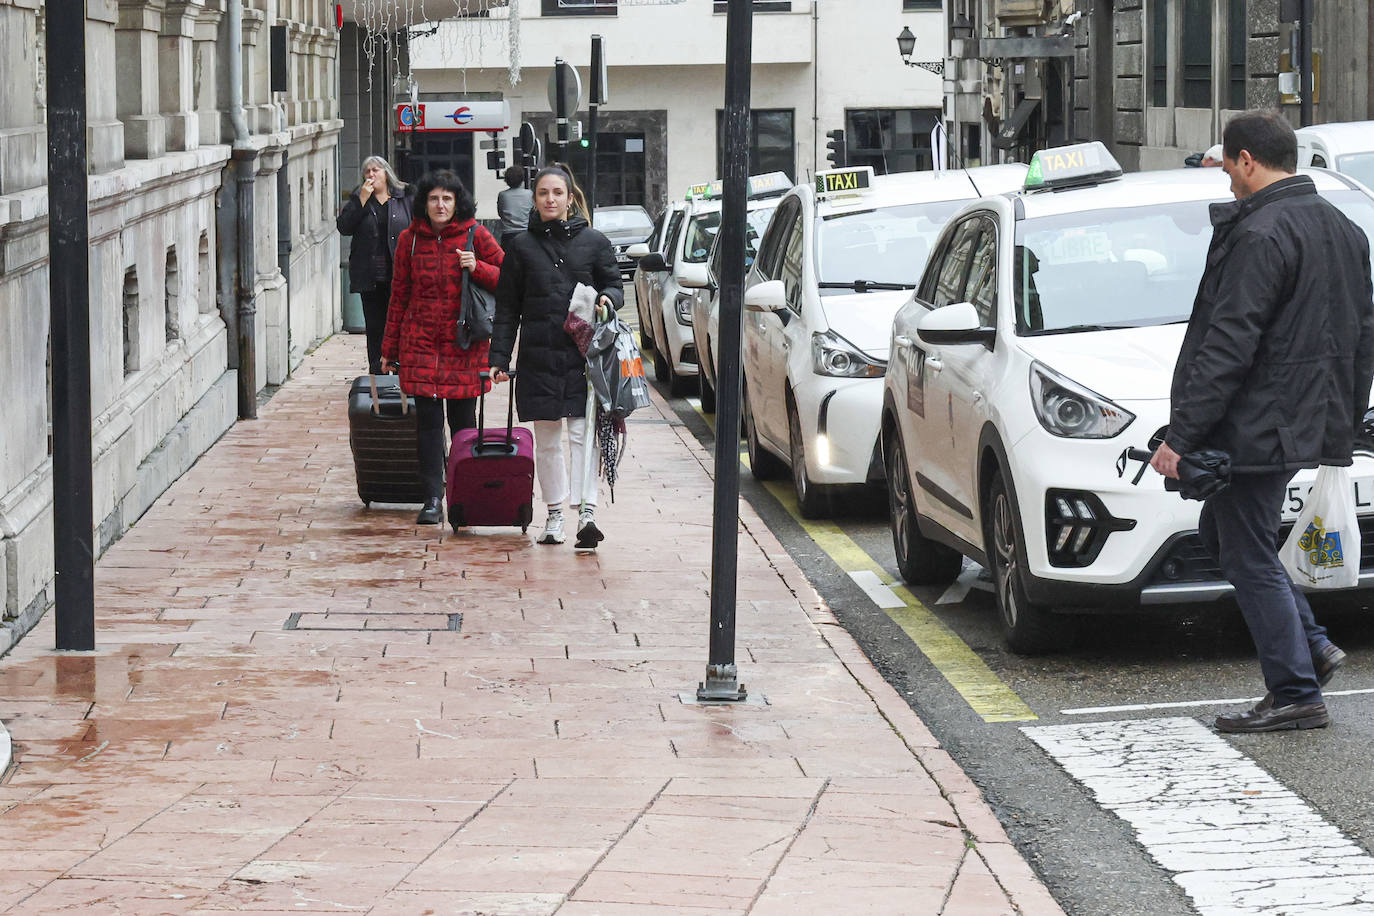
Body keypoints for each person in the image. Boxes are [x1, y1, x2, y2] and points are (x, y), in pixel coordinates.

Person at [1151, 109, 1374, 734]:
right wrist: (1346, 420)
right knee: (1224, 538)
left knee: (1244, 551)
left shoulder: (1260, 234)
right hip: (1302, 415)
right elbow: (1364, 335)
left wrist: (1182, 436)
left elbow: (1228, 342)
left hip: (1257, 422)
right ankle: (1315, 645)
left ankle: (1297, 690)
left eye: (1227, 162)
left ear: (1247, 159)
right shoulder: (1343, 228)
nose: (1224, 175)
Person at [489, 165, 623, 548]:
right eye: (544, 193)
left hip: (583, 357)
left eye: (557, 193)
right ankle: (554, 514)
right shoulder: (519, 247)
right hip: (537, 355)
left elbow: (615, 284)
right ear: (535, 199)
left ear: (569, 198)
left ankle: (587, 513)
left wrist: (607, 298)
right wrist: (499, 357)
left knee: (583, 435)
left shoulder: (594, 241)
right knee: (546, 439)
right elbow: (507, 307)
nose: (551, 199)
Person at [380, 170, 505, 525]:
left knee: (464, 425)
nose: (440, 205)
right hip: (419, 344)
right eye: (434, 198)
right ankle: (432, 498)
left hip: (463, 344)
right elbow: (399, 294)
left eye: (447, 199)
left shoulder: (475, 235)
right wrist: (389, 349)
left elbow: (509, 276)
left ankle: (462, 495)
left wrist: (477, 266)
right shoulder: (410, 240)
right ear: (424, 202)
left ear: (457, 203)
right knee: (428, 426)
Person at [337, 156, 414, 374]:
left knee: (399, 322)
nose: (371, 175)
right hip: (371, 274)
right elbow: (344, 227)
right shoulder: (359, 199)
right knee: (375, 325)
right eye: (367, 172)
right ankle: (377, 369)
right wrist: (361, 200)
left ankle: (400, 366)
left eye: (375, 170)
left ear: (386, 173)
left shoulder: (404, 197)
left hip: (399, 273)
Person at [496, 166, 534, 249]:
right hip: (525, 233)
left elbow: (500, 213)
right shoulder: (529, 194)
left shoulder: (502, 195)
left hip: (507, 234)